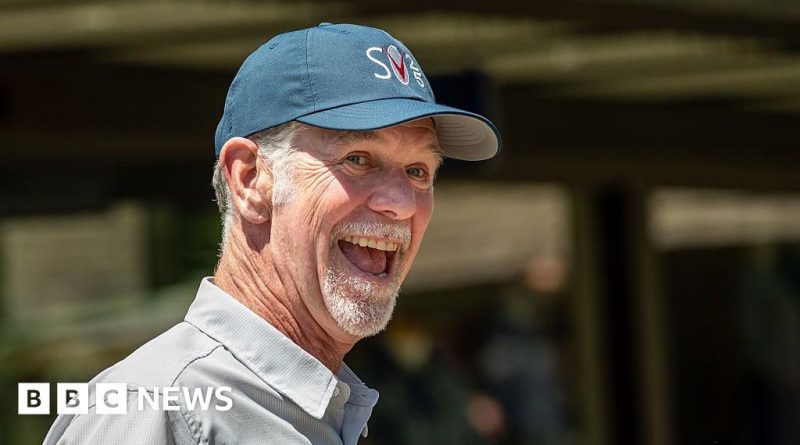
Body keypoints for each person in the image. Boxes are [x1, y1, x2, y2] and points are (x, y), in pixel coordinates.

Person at [44, 22, 500, 444]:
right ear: (250, 179)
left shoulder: (323, 409)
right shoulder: (158, 410)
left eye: (419, 170)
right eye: (358, 159)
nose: (400, 202)